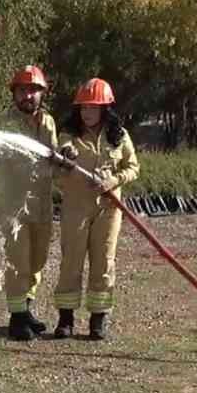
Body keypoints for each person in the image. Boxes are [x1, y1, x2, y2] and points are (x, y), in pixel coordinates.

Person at [53, 77, 139, 341]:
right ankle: (65, 320)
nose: (87, 112)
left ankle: (98, 321)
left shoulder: (120, 136)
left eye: (93, 107)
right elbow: (62, 152)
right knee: (71, 262)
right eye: (84, 107)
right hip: (75, 208)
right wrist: (67, 156)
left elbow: (133, 167)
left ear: (105, 109)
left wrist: (113, 180)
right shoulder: (69, 134)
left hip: (108, 210)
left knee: (104, 262)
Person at [0, 64, 59, 342]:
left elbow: (53, 156)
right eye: (23, 90)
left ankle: (27, 308)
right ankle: (17, 318)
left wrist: (63, 155)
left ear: (42, 94)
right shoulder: (6, 124)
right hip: (15, 206)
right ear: (14, 94)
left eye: (34, 90)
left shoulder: (48, 122)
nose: (28, 96)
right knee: (18, 261)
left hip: (41, 204)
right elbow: (15, 160)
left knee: (37, 260)